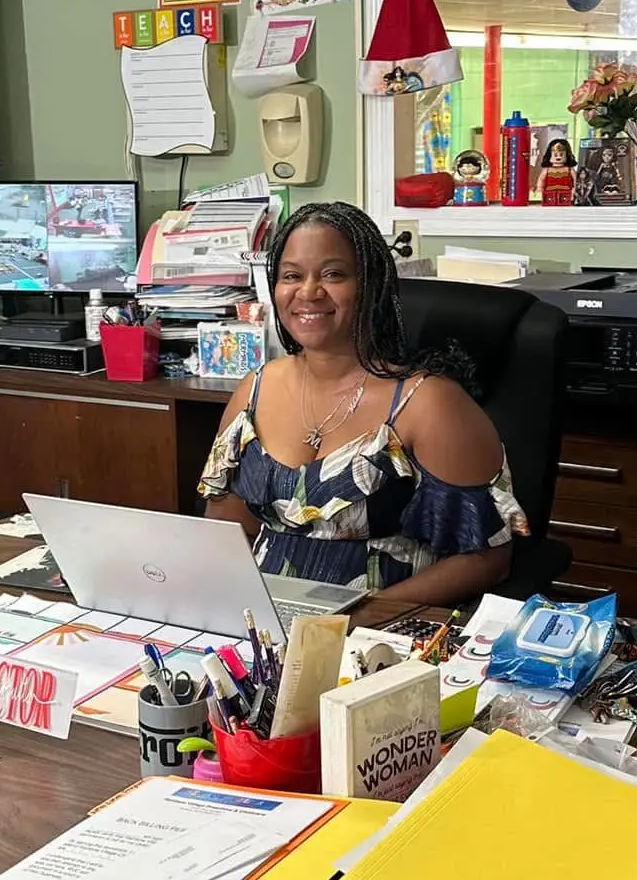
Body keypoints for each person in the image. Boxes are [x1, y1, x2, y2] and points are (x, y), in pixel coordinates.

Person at [199, 201, 527, 624]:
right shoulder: (255, 389)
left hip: (383, 632)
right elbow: (226, 528)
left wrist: (355, 619)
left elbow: (488, 558)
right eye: (292, 276)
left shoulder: (427, 403)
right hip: (262, 623)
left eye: (333, 274)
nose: (308, 292)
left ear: (370, 286)